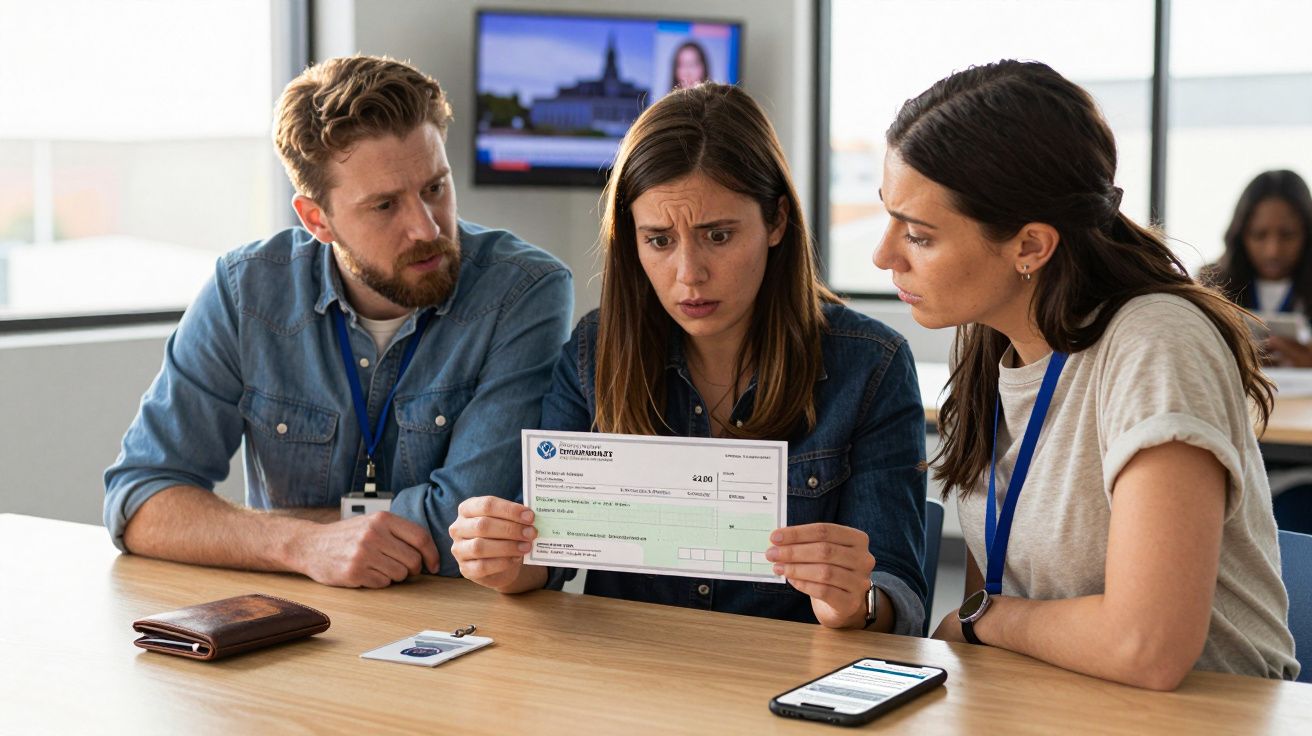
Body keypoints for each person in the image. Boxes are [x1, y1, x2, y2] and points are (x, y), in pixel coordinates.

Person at [874, 60, 1299, 687]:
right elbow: (998, 574)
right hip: (1044, 705)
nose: (884, 255)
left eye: (919, 235)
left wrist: (983, 618)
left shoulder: (1156, 343)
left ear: (1029, 247)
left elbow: (1146, 648)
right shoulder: (992, 338)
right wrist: (980, 623)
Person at [449, 83, 929, 634]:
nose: (689, 274)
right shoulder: (594, 349)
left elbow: (898, 594)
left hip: (788, 685)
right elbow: (547, 559)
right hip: (633, 677)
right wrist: (503, 558)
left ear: (775, 222)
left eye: (718, 235)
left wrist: (855, 601)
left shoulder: (872, 364)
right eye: (658, 240)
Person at [103, 55, 573, 588]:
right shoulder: (247, 290)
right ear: (316, 219)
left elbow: (464, 529)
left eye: (436, 188)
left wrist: (242, 530)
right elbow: (140, 500)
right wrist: (301, 544)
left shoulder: (525, 290)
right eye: (384, 206)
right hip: (294, 627)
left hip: (457, 626)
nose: (426, 227)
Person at [1204, 170, 1312, 367]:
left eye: (1287, 235)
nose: (1273, 251)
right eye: (1259, 235)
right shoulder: (1209, 286)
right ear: (1240, 234)